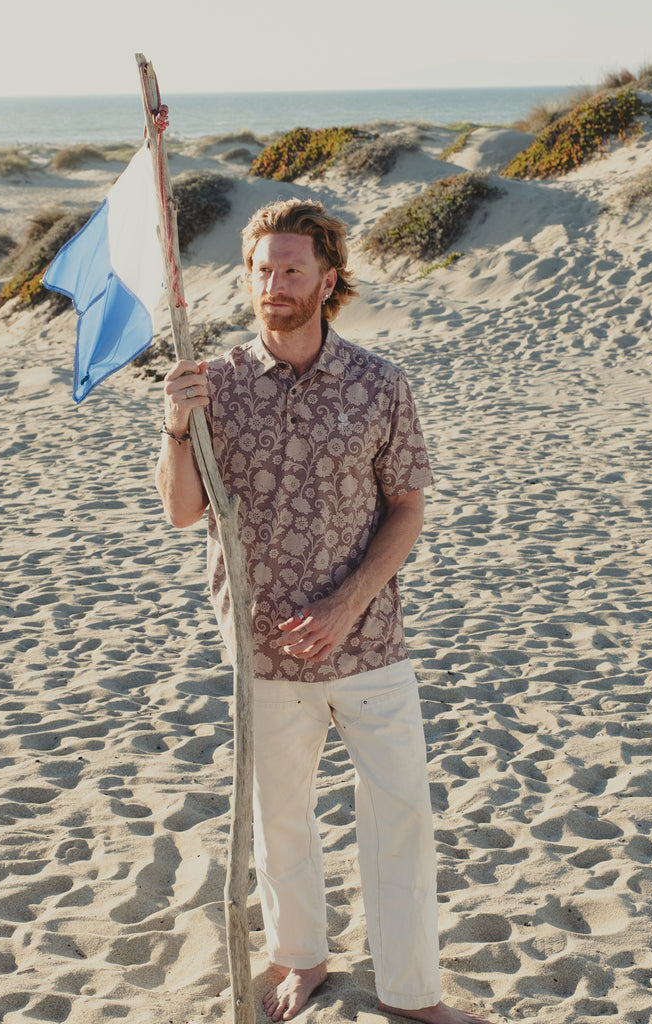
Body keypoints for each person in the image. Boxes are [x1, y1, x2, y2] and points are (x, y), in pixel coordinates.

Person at [156, 198, 492, 1024]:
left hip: (370, 643)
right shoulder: (213, 384)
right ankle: (300, 958)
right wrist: (175, 426)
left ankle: (410, 994)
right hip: (261, 646)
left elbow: (406, 508)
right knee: (280, 820)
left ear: (328, 280)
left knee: (401, 818)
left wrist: (347, 604)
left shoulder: (380, 383)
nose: (272, 284)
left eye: (290, 270)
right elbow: (182, 512)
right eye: (260, 270)